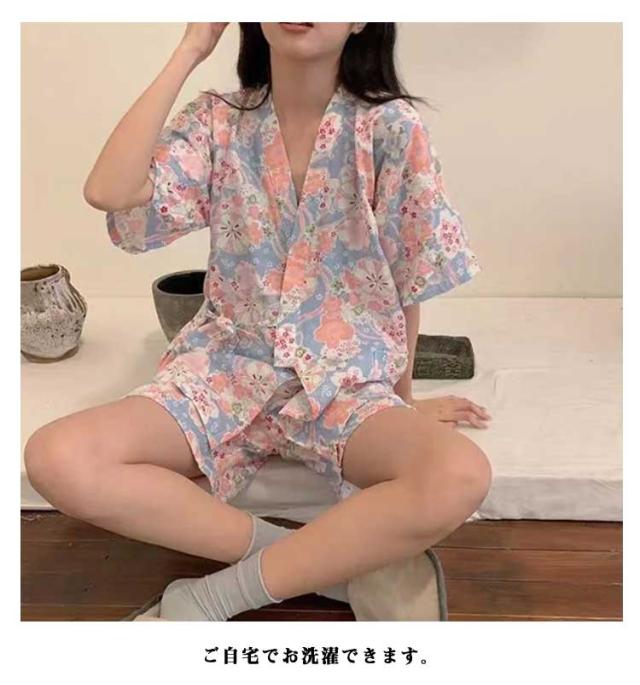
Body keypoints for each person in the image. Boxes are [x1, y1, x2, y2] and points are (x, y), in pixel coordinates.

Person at [24, 22, 492, 621]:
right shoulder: (218, 121)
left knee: (458, 473)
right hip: (224, 371)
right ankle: (314, 564)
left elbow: (410, 272)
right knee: (56, 457)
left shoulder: (390, 127)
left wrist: (402, 403)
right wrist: (191, 49)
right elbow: (110, 190)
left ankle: (214, 597)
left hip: (342, 382)